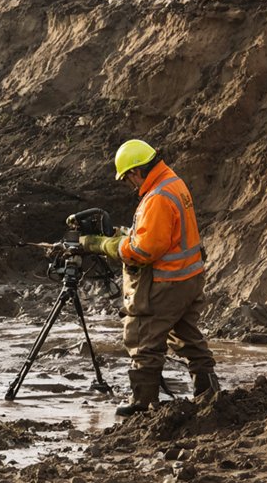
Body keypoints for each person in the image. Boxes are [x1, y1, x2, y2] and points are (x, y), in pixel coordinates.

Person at [79, 139, 219, 417]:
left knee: (142, 338)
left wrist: (104, 245)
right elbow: (157, 235)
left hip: (165, 282)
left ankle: (142, 403)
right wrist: (123, 234)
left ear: (135, 172)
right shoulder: (172, 182)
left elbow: (143, 250)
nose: (130, 185)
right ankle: (209, 393)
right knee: (185, 335)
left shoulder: (156, 197)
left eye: (128, 178)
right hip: (188, 278)